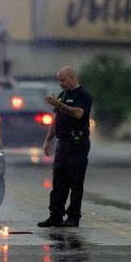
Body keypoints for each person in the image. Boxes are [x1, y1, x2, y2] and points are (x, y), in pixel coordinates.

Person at [38, 67, 93, 228]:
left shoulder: (83, 95)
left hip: (77, 144)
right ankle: (55, 215)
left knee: (75, 182)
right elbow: (57, 120)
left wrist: (58, 104)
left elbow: (78, 113)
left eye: (62, 80)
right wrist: (48, 140)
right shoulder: (63, 95)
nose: (60, 84)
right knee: (58, 182)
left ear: (71, 78)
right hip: (62, 144)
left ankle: (73, 217)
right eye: (59, 80)